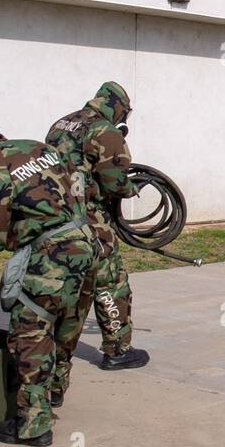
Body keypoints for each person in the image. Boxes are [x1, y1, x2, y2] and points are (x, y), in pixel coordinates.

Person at [0, 118, 98, 447]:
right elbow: (84, 186)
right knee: (66, 322)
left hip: (53, 254)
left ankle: (33, 425)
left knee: (31, 331)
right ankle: (55, 392)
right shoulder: (40, 148)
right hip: (88, 243)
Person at [46, 81, 149, 370]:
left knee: (64, 284)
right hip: (91, 221)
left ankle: (51, 348)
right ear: (117, 107)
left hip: (57, 219)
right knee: (109, 282)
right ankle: (117, 349)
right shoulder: (105, 131)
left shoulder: (62, 123)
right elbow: (115, 181)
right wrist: (132, 188)